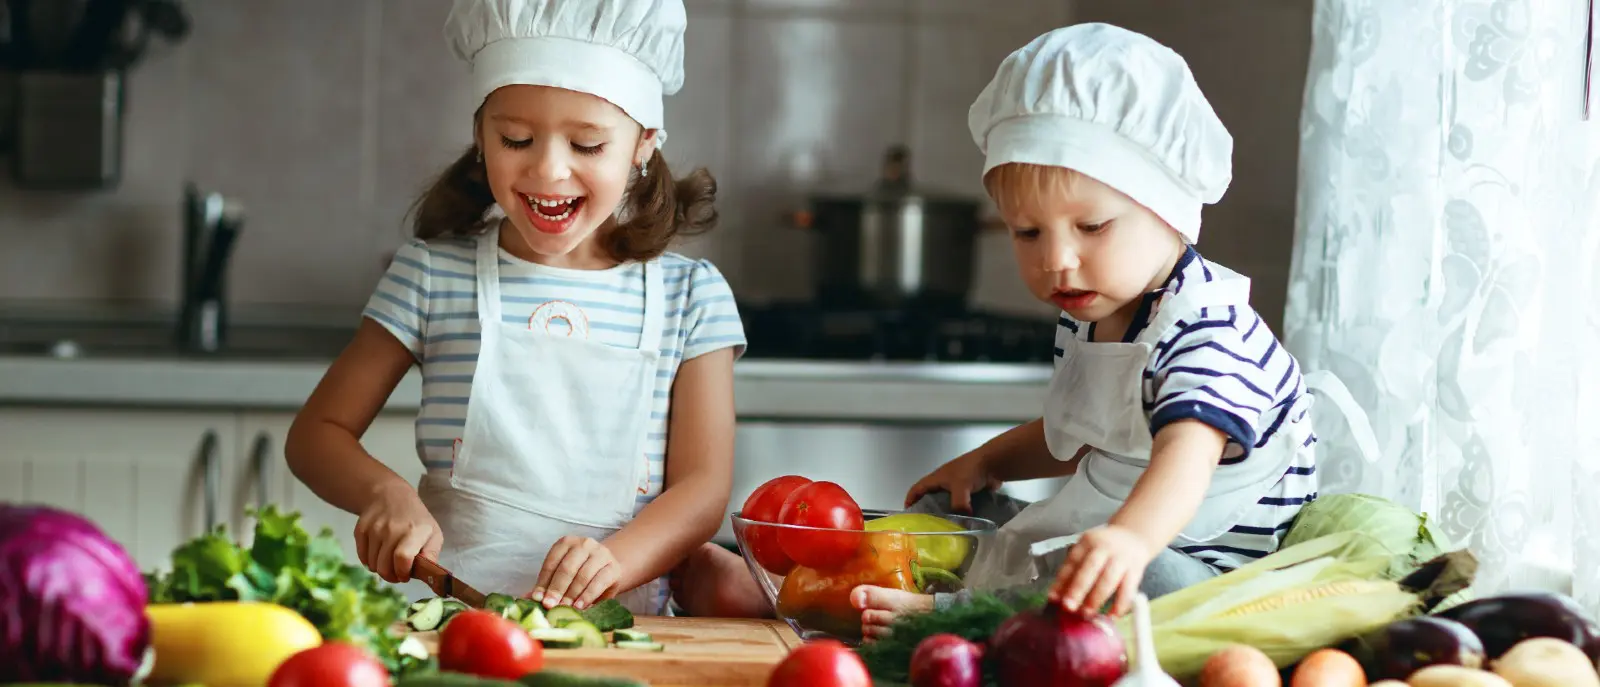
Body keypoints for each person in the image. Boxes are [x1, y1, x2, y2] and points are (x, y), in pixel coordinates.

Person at [681, 22, 1376, 635]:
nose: (1057, 259)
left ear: (1171, 205)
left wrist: (1130, 541)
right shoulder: (1099, 312)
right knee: (954, 508)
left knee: (1126, 574)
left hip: (1202, 568)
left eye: (1092, 226)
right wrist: (986, 462)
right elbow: (1076, 435)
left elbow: (1185, 457)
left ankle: (939, 615)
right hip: (1106, 528)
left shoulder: (1209, 326)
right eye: (1027, 232)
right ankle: (807, 590)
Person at [284, 0, 746, 617]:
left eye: (587, 144)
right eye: (516, 139)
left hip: (624, 635)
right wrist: (384, 493)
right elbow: (316, 435)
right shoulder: (431, 274)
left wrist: (615, 563)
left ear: (643, 144)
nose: (549, 169)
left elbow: (702, 489)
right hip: (447, 630)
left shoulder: (692, 298)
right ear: (481, 136)